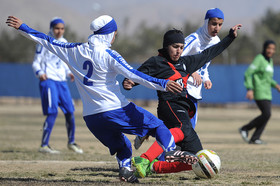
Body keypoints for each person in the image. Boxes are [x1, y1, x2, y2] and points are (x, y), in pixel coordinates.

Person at [6, 15, 198, 183]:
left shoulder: (74, 50)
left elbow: (45, 40)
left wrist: (23, 27)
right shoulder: (108, 54)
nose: (115, 37)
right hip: (116, 109)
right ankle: (171, 150)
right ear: (108, 33)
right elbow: (134, 75)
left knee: (122, 145)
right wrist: (163, 84)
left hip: (91, 118)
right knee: (158, 127)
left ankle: (124, 169)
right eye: (115, 33)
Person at [123, 24, 241, 177]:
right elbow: (136, 76)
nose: (179, 50)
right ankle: (144, 159)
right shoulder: (156, 62)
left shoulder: (185, 62)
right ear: (166, 46)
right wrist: (128, 83)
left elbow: (209, 53)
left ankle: (153, 167)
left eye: (181, 47)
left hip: (183, 110)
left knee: (196, 158)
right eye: (175, 46)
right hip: (169, 106)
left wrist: (230, 38)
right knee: (180, 128)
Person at [32, 17, 83, 154]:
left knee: (70, 112)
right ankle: (44, 145)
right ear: (51, 28)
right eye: (56, 28)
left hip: (62, 82)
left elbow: (65, 63)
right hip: (49, 81)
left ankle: (71, 142)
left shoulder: (64, 43)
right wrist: (40, 72)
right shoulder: (44, 42)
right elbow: (36, 62)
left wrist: (69, 72)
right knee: (52, 112)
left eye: (61, 28)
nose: (59, 31)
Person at [182, 8, 224, 129]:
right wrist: (191, 71)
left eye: (220, 25)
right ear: (206, 22)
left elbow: (204, 64)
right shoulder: (194, 39)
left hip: (195, 89)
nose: (217, 28)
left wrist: (206, 78)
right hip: (182, 87)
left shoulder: (216, 41)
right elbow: (176, 58)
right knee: (183, 127)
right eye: (214, 24)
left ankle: (152, 129)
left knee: (190, 127)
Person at [239, 40, 280, 144]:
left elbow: (267, 78)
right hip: (259, 91)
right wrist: (249, 89)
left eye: (273, 49)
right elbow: (248, 73)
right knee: (267, 114)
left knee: (266, 115)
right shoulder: (259, 59)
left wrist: (276, 85)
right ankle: (245, 128)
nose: (271, 51)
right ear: (264, 48)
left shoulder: (269, 61)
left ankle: (255, 138)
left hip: (267, 92)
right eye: (269, 48)